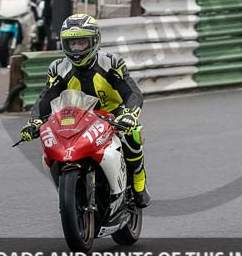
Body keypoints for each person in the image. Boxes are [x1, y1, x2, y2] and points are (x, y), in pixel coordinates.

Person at [20, 13, 151, 208]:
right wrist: (35, 121)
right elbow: (46, 97)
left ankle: (139, 185)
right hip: (76, 118)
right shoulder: (58, 68)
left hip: (113, 115)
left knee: (132, 135)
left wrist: (129, 114)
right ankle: (71, 193)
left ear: (95, 40)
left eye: (82, 42)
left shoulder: (111, 63)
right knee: (54, 142)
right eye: (72, 43)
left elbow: (132, 91)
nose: (77, 48)